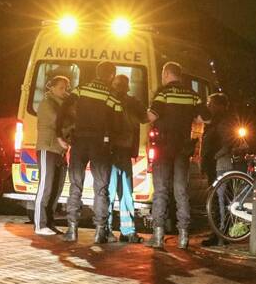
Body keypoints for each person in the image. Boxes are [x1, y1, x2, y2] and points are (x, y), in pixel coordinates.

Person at [146, 61, 210, 250]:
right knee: (181, 192)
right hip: (182, 150)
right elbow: (205, 117)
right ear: (179, 75)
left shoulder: (163, 93)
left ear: (166, 74)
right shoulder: (192, 95)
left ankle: (158, 237)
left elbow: (152, 116)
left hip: (163, 149)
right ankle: (183, 237)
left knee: (161, 191)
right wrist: (192, 117)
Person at [59, 60, 119, 243]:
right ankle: (100, 231)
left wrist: (60, 134)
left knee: (75, 185)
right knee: (101, 188)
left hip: (79, 142)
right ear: (111, 76)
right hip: (100, 144)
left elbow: (63, 109)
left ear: (97, 72)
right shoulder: (111, 95)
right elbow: (116, 122)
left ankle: (72, 230)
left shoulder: (80, 89)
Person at [199, 92, 245, 247]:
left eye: (211, 103)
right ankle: (218, 232)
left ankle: (221, 234)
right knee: (217, 199)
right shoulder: (215, 121)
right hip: (215, 165)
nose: (208, 106)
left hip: (221, 165)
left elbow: (227, 144)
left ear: (219, 106)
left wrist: (215, 156)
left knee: (220, 199)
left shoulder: (223, 121)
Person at [105, 73, 145, 244]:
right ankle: (118, 230)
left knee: (118, 192)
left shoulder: (122, 102)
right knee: (118, 192)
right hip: (115, 152)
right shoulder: (127, 103)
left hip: (119, 152)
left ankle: (117, 230)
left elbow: (141, 119)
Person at [34, 75, 70, 235]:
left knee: (57, 188)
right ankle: (40, 225)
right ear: (52, 88)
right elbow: (57, 121)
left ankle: (49, 222)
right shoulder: (47, 103)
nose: (64, 91)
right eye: (61, 88)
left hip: (60, 151)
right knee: (45, 187)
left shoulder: (63, 105)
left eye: (66, 88)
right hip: (47, 148)